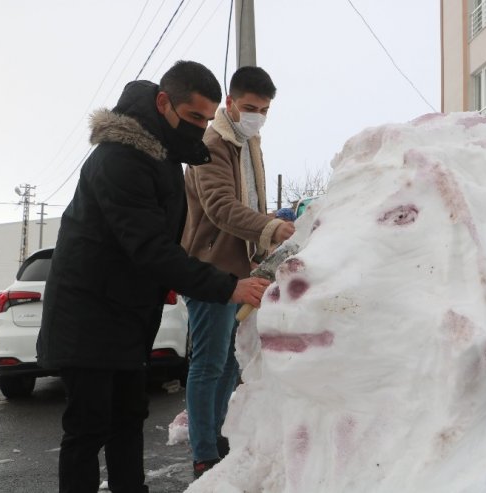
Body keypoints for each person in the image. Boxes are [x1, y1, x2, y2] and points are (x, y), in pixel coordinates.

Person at [36, 60, 270, 493]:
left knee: (129, 418)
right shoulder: (120, 160)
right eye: (195, 117)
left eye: (206, 118)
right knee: (88, 428)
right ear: (164, 103)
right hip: (85, 315)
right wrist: (226, 285)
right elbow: (152, 249)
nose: (201, 128)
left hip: (124, 314)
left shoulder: (161, 156)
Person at [181, 65, 295, 478]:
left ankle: (220, 438)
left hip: (240, 270)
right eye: (250, 107)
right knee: (209, 364)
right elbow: (221, 207)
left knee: (229, 364)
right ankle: (204, 452)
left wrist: (269, 227)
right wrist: (269, 227)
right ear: (229, 102)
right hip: (211, 268)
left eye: (264, 109)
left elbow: (245, 204)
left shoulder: (250, 143)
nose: (257, 115)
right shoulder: (213, 143)